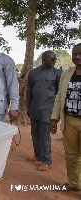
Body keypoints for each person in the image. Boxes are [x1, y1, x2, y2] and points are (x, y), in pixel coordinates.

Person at [50, 43, 81, 191]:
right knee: (71, 155)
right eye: (74, 54)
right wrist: (54, 118)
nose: (77, 57)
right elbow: (59, 96)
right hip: (69, 120)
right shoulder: (67, 74)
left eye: (80, 54)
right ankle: (74, 184)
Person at [26, 51, 62, 171]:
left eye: (55, 59)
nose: (54, 61)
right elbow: (29, 91)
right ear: (44, 59)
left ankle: (47, 161)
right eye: (51, 59)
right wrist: (28, 106)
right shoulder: (33, 73)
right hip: (34, 108)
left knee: (44, 135)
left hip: (48, 109)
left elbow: (59, 94)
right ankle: (38, 156)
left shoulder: (56, 73)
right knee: (35, 133)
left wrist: (56, 114)